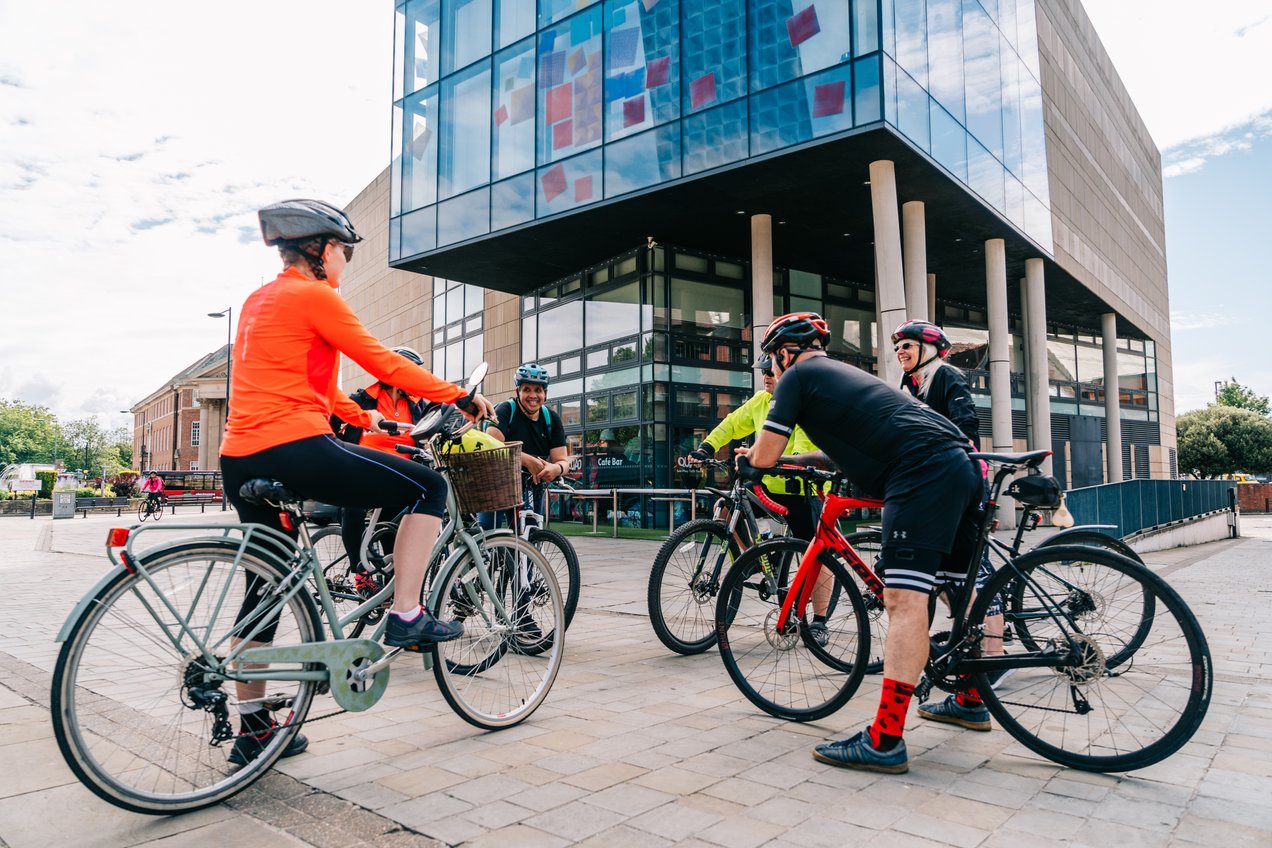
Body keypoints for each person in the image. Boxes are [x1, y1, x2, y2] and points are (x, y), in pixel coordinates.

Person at [219, 198, 495, 766]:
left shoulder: (258, 300)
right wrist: (459, 395)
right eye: (344, 250)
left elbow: (317, 390)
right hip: (292, 446)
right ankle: (408, 612)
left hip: (240, 455)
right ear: (321, 250)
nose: (345, 261)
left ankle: (251, 728)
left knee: (266, 585)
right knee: (427, 489)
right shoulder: (317, 295)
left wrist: (374, 420)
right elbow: (384, 363)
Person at [745, 312, 982, 774]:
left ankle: (885, 739)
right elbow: (839, 451)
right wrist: (795, 459)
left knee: (902, 599)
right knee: (955, 586)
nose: (769, 371)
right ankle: (972, 694)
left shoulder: (800, 375)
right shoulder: (837, 376)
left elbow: (764, 453)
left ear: (784, 353)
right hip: (959, 462)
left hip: (919, 471)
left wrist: (751, 462)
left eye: (769, 361)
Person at [893, 319, 1007, 716]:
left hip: (958, 481)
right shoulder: (914, 384)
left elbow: (967, 427)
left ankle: (994, 660)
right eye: (897, 347)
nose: (900, 352)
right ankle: (968, 651)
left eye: (907, 345)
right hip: (935, 486)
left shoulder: (946, 376)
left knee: (973, 574)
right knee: (948, 575)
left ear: (930, 348)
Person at [688, 354, 830, 642]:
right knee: (725, 506)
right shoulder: (760, 401)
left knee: (816, 553)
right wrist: (705, 447)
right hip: (766, 487)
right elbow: (731, 424)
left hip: (801, 490)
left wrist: (762, 459)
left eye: (770, 370)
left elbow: (805, 457)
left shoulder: (803, 405)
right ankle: (755, 557)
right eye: (762, 371)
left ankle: (819, 620)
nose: (765, 375)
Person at [329, 345, 431, 590]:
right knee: (352, 511)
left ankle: (389, 586)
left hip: (399, 472)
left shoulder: (417, 406)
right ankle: (361, 573)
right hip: (364, 467)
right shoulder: (363, 399)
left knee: (392, 525)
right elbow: (331, 425)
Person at [482, 363, 569, 527]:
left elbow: (562, 460)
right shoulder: (506, 410)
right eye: (527, 389)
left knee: (530, 532)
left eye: (538, 390)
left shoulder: (551, 418)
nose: (533, 395)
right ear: (517, 392)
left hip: (531, 484)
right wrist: (529, 460)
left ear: (545, 393)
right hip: (497, 481)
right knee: (488, 533)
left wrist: (556, 469)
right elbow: (491, 445)